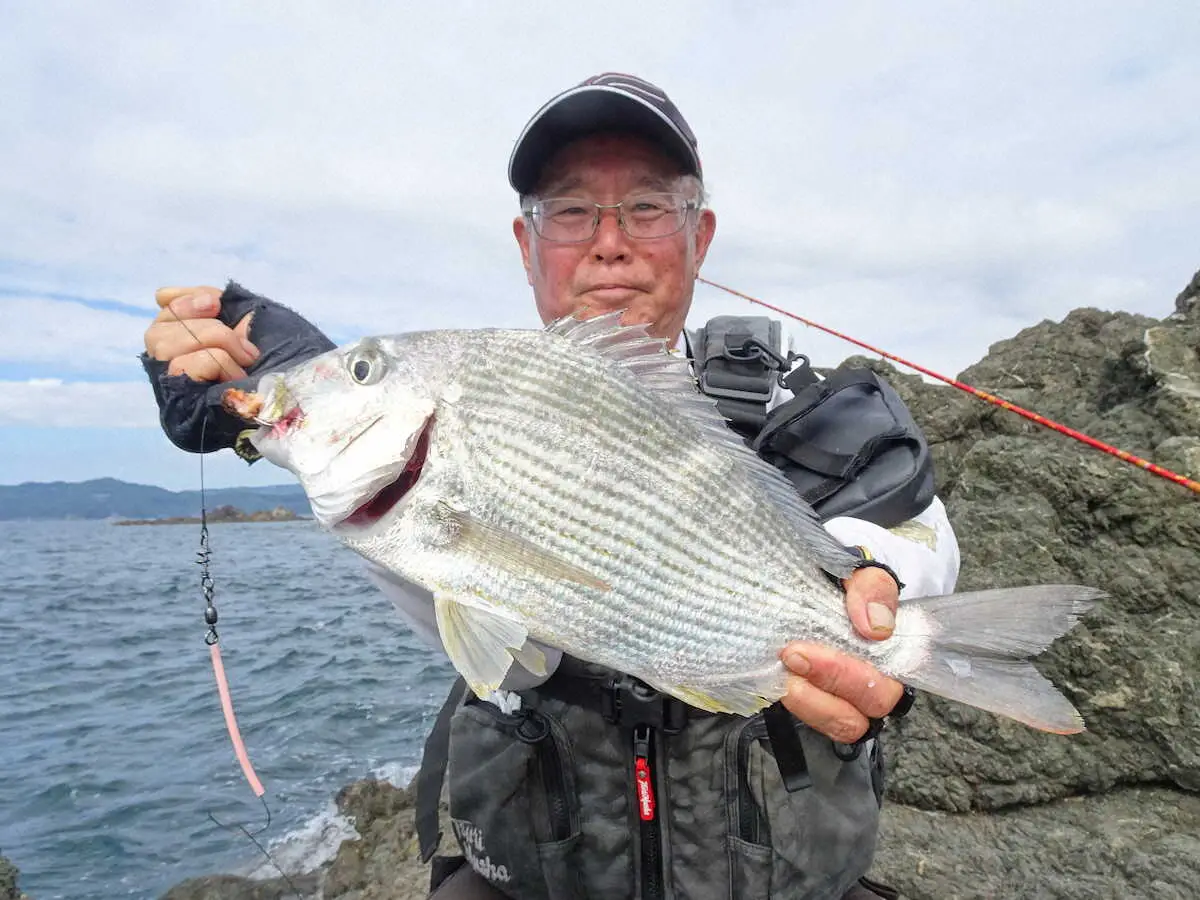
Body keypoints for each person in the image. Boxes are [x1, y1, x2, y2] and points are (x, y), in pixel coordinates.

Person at [143, 73, 959, 899]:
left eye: (646, 207)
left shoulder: (804, 408)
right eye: (570, 212)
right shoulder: (463, 401)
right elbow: (494, 630)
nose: (610, 241)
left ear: (698, 235)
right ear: (525, 243)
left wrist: (872, 591)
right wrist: (282, 407)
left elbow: (913, 524)